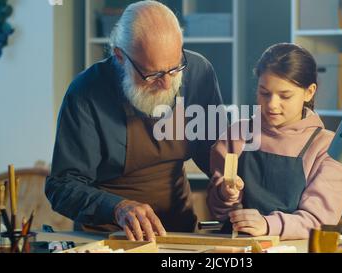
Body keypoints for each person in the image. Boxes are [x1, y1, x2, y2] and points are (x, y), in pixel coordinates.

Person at [46, 1, 224, 241]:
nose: (168, 83)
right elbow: (62, 186)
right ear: (120, 56)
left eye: (174, 69)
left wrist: (230, 183)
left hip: (178, 231)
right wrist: (117, 208)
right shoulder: (86, 92)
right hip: (108, 237)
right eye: (154, 75)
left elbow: (215, 153)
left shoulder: (198, 72)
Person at [207, 43, 342, 240]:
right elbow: (219, 212)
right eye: (264, 93)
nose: (272, 105)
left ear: (309, 92)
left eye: (285, 96)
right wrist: (225, 195)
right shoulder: (237, 134)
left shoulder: (327, 149)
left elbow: (318, 222)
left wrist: (268, 225)